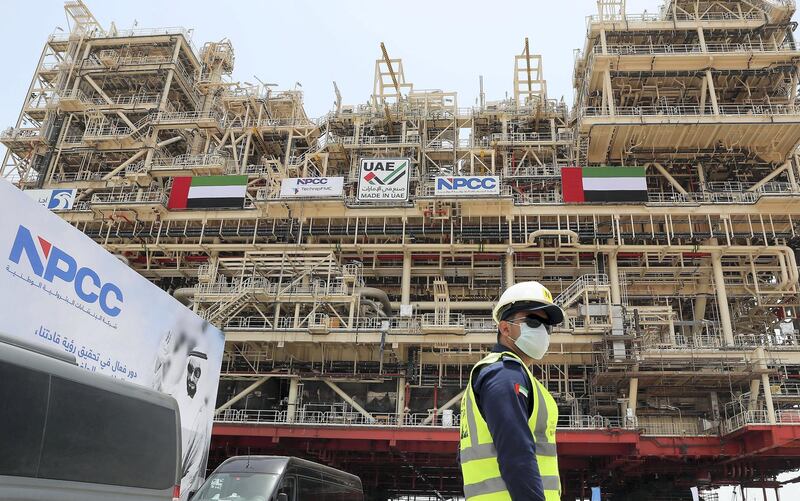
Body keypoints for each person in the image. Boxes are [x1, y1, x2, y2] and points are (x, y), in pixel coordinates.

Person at [460, 281, 565, 501]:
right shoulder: (504, 373)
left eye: (548, 327)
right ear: (505, 328)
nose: (543, 332)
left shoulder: (513, 374)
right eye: (533, 321)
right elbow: (516, 455)